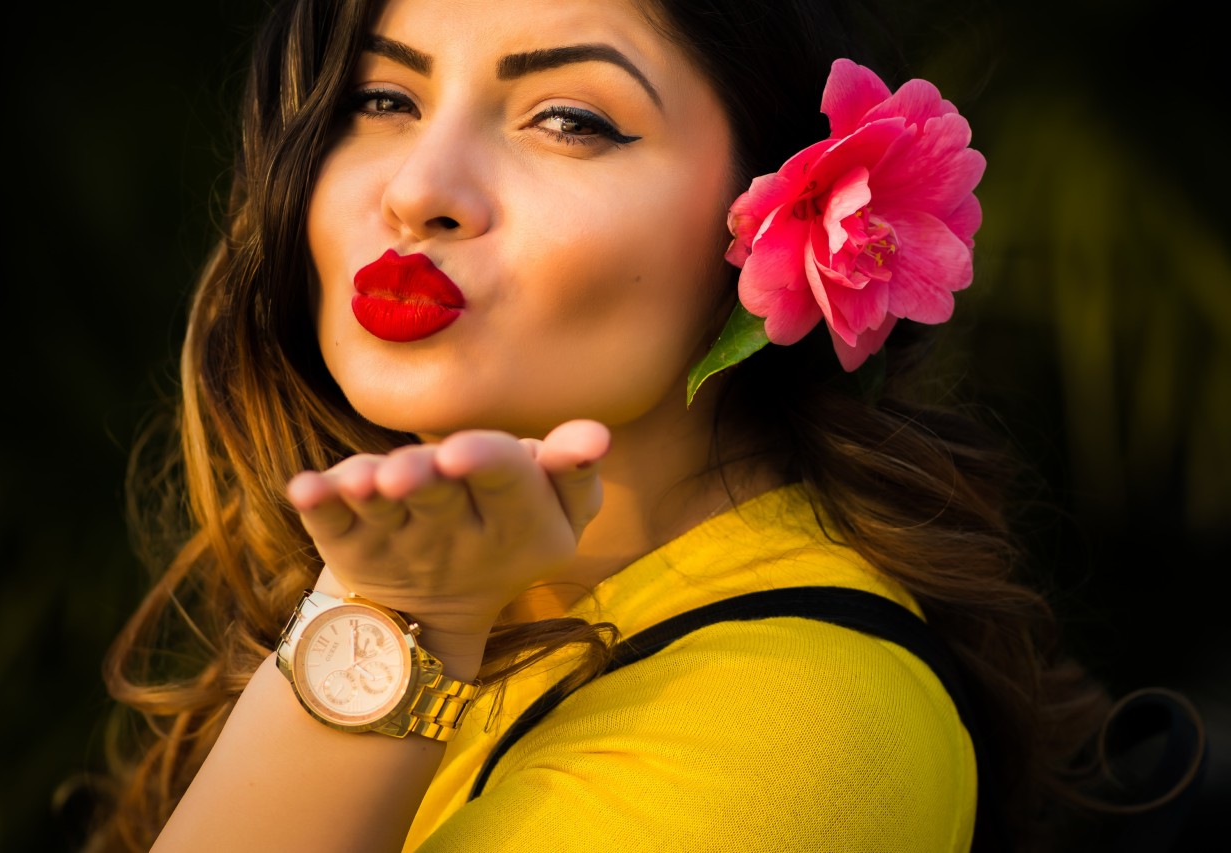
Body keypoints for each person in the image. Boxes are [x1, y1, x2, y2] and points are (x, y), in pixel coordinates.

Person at [81, 0, 1143, 850]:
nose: (418, 191)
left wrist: (386, 623)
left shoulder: (796, 720)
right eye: (381, 98)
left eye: (569, 120)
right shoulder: (473, 589)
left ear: (778, 211)